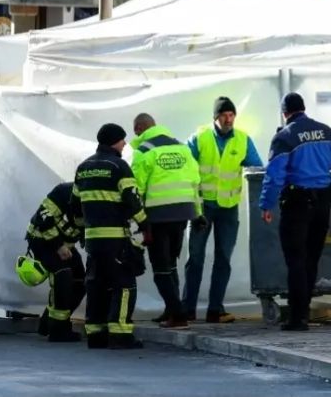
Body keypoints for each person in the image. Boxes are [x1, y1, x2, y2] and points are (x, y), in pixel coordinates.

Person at [259, 92, 331, 331]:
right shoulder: (324, 130)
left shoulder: (285, 136)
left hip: (298, 203)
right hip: (322, 203)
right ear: (304, 108)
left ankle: (298, 318)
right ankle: (304, 311)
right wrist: (318, 161)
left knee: (296, 260)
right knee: (311, 259)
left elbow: (274, 175)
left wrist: (266, 205)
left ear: (285, 113)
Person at [183, 96, 263, 323]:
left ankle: (215, 309)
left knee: (223, 259)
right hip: (202, 208)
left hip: (228, 208)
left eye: (231, 115)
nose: (228, 120)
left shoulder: (242, 139)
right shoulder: (200, 138)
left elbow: (257, 167)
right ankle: (188, 309)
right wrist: (192, 205)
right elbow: (186, 169)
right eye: (224, 116)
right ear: (215, 117)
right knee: (195, 258)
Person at [76, 123, 149, 350]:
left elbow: (75, 207)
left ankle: (96, 335)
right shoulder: (119, 166)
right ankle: (121, 335)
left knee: (96, 285)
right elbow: (132, 200)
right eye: (122, 140)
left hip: (93, 241)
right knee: (125, 285)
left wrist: (81, 232)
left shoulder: (83, 167)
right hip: (116, 238)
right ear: (113, 142)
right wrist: (146, 226)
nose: (124, 144)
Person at [131, 113, 201, 329]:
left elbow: (137, 188)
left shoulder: (144, 151)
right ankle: (172, 309)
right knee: (171, 265)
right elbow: (195, 182)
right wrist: (198, 213)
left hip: (158, 216)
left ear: (140, 128)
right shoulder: (182, 147)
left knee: (161, 268)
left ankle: (178, 315)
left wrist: (138, 219)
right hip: (183, 214)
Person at [23, 182, 85, 342]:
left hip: (66, 244)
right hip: (41, 239)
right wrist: (58, 246)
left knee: (81, 281)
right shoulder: (63, 192)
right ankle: (58, 330)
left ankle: (47, 323)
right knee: (63, 275)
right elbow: (43, 219)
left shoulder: (97, 198)